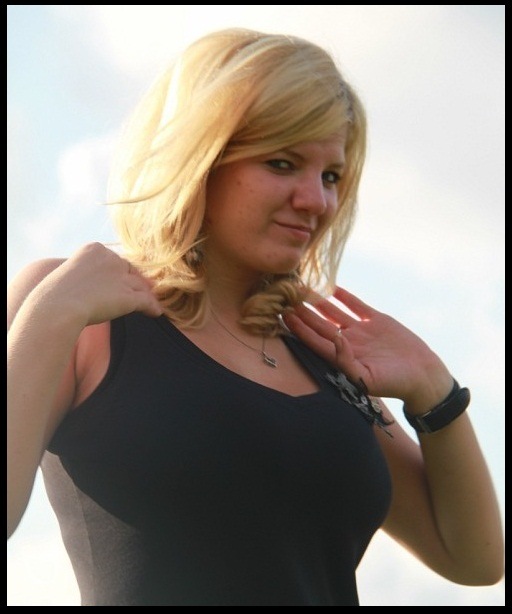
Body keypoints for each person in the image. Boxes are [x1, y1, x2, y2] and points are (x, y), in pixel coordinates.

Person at [7, 27, 504, 607]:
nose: (316, 201)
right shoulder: (78, 308)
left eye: (331, 176)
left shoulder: (322, 354)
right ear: (201, 156)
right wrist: (49, 313)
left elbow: (473, 559)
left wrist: (435, 391)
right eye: (282, 162)